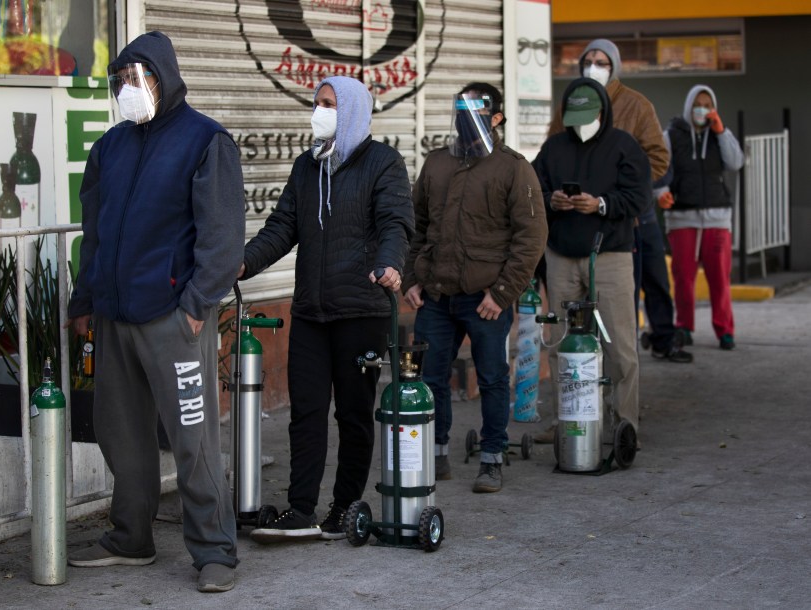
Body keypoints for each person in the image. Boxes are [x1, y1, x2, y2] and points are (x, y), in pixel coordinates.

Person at [65, 31, 244, 593]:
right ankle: (130, 537)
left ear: (164, 77)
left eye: (138, 77)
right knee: (121, 435)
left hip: (174, 315)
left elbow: (222, 239)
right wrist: (84, 300)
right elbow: (94, 232)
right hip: (115, 314)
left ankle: (214, 550)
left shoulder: (205, 141)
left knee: (193, 440)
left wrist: (195, 307)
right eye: (121, 80)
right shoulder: (110, 147)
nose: (129, 88)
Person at [240, 76, 413, 543]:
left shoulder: (383, 163)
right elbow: (281, 227)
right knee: (306, 412)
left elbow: (396, 222)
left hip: (362, 310)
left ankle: (343, 508)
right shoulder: (306, 166)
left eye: (329, 105)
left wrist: (390, 264)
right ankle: (300, 510)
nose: (319, 111)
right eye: (317, 103)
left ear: (353, 111)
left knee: (354, 415)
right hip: (312, 314)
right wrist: (243, 263)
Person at [403, 82, 547, 493]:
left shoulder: (513, 167)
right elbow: (415, 226)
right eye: (460, 109)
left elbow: (531, 238)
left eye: (477, 111)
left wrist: (502, 294)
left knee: (492, 379)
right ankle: (436, 455)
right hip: (435, 295)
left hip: (485, 299)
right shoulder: (436, 164)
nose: (466, 118)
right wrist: (411, 278)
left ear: (496, 118)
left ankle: (491, 460)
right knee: (430, 378)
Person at [545, 39, 691, 373]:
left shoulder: (637, 105)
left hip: (627, 221)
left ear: (615, 67)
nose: (593, 66)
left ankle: (624, 398)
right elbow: (551, 152)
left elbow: (659, 157)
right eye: (589, 60)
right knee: (575, 321)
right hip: (572, 227)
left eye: (602, 61)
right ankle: (583, 396)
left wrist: (619, 191)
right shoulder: (571, 102)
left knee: (623, 312)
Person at [532, 78, 651, 447]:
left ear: (603, 112)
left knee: (619, 345)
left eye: (590, 115)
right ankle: (566, 419)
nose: (582, 123)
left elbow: (638, 198)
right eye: (576, 116)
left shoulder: (624, 146)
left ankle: (624, 423)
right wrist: (552, 201)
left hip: (610, 255)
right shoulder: (553, 148)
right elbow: (532, 190)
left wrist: (600, 204)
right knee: (561, 342)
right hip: (561, 256)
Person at [658, 84, 744, 350]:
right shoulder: (671, 135)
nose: (702, 109)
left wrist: (722, 131)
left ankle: (725, 330)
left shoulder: (720, 135)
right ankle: (684, 327)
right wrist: (661, 192)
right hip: (682, 216)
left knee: (720, 277)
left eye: (708, 105)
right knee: (684, 277)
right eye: (699, 104)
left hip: (717, 217)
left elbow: (736, 162)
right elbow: (660, 168)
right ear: (689, 106)